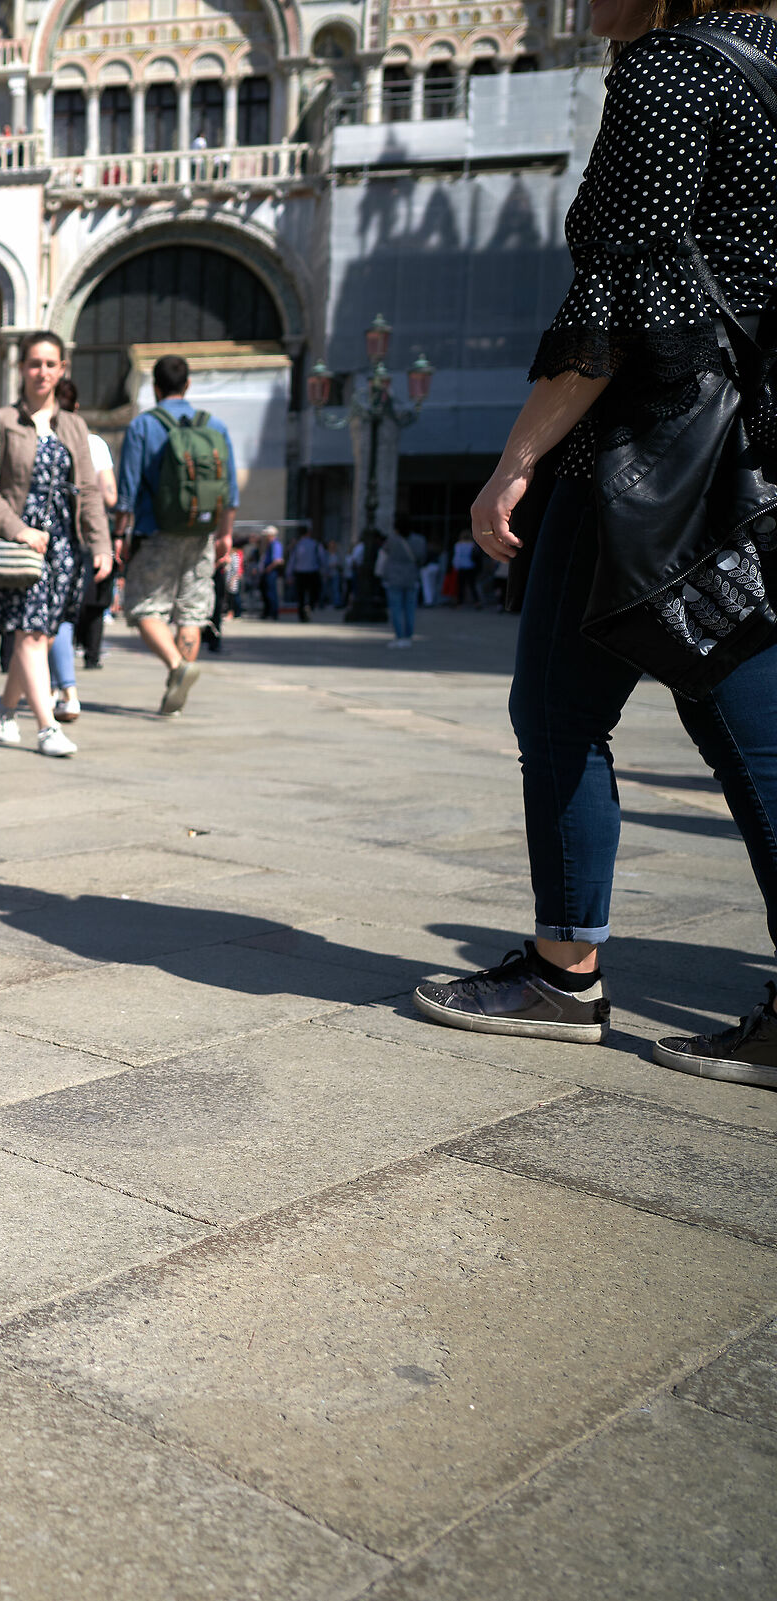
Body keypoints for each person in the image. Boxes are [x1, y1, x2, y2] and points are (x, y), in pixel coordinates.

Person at [415, 0, 777, 1086]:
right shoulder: (765, 64)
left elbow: (624, 296)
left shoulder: (668, 70)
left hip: (649, 461)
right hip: (750, 447)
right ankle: (563, 968)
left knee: (574, 711)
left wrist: (515, 459)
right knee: (742, 723)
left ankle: (564, 973)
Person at [0, 332, 110, 758]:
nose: (42, 372)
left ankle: (4, 708)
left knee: (41, 637)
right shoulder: (2, 420)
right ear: (22, 368)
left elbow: (87, 488)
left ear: (62, 369)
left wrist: (101, 542)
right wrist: (18, 530)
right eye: (35, 363)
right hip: (22, 546)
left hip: (64, 548)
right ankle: (47, 726)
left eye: (51, 364)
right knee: (30, 633)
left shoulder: (74, 425)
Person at [116, 354, 236, 716]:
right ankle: (176, 693)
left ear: (154, 387)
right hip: (200, 533)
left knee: (144, 606)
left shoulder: (143, 426)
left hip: (156, 533)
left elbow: (127, 491)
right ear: (187, 385)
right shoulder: (213, 425)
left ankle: (176, 666)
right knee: (191, 612)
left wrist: (120, 534)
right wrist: (225, 535)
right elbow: (229, 492)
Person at [51, 373, 116, 710]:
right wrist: (102, 542)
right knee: (64, 613)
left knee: (41, 619)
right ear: (76, 405)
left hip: (39, 537)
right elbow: (108, 494)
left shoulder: (32, 430)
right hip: (78, 537)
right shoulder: (93, 442)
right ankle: (67, 691)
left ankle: (54, 689)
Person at [377, 524, 422, 647]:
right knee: (410, 609)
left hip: (394, 578)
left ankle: (400, 636)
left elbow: (383, 557)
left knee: (396, 609)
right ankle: (408, 636)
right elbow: (421, 558)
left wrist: (381, 574)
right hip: (411, 577)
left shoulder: (391, 541)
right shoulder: (419, 541)